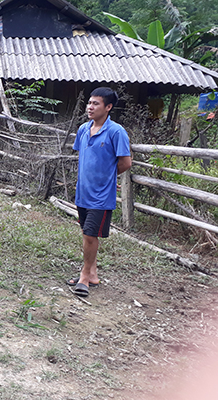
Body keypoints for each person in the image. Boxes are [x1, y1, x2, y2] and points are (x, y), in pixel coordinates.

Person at [68, 87, 132, 297]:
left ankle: (84, 277)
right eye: (89, 103)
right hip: (83, 192)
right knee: (88, 234)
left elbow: (125, 162)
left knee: (89, 235)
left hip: (101, 195)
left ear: (108, 107)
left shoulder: (116, 132)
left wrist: (109, 179)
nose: (90, 107)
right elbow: (84, 158)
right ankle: (93, 273)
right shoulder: (83, 130)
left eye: (96, 103)